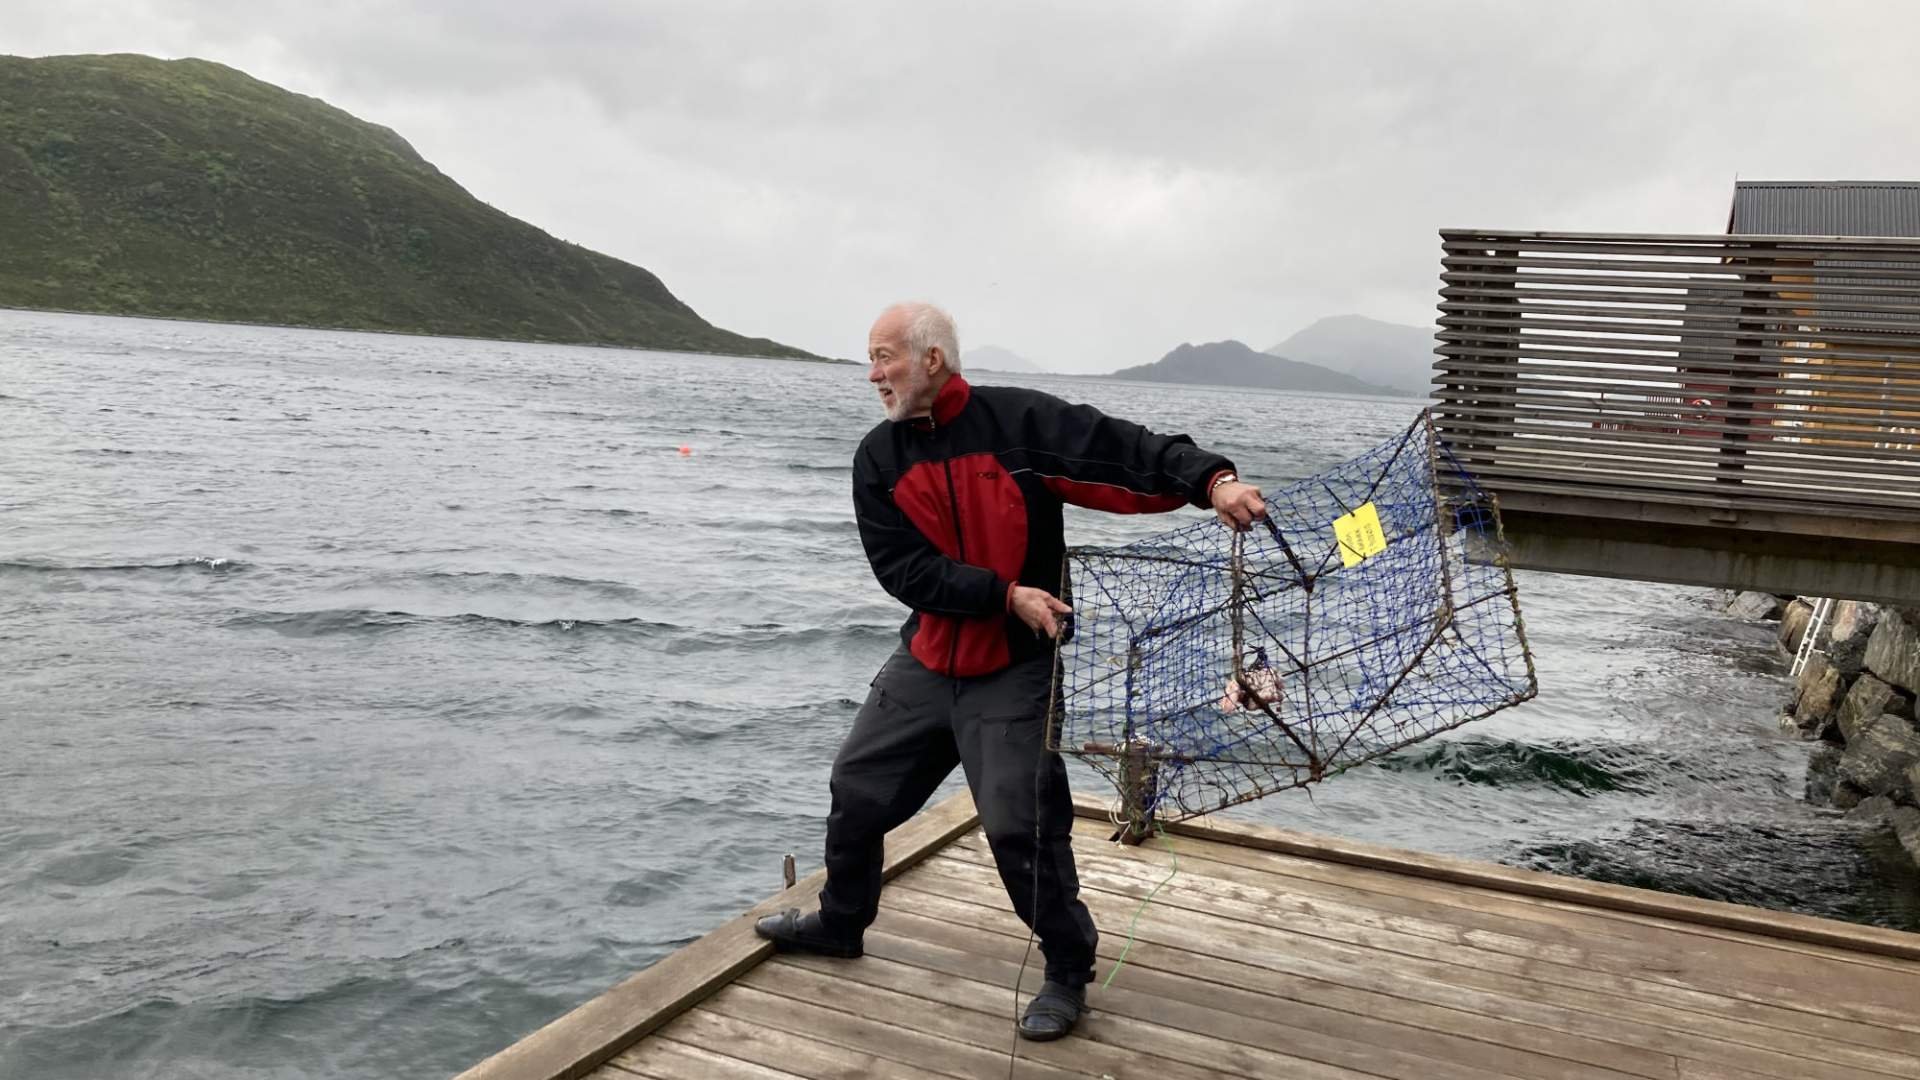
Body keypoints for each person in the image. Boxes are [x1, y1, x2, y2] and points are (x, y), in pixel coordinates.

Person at [754, 302, 1266, 1040]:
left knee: (1019, 823)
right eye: (869, 359)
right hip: (927, 659)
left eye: (885, 357)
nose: (873, 375)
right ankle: (841, 923)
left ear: (933, 359)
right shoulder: (878, 457)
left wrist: (1211, 480)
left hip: (1014, 669)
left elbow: (1119, 455)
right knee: (856, 791)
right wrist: (1003, 594)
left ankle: (1066, 970)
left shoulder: (1018, 425)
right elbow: (903, 571)